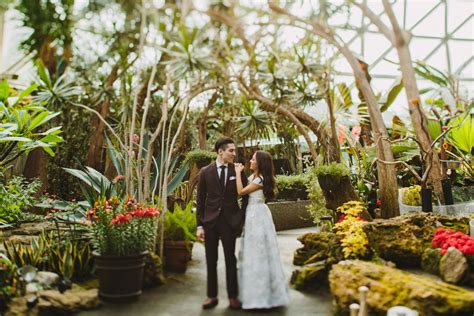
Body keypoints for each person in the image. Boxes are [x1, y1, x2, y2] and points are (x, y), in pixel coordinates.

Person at [196, 137, 248, 310]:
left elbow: (246, 194)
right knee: (211, 260)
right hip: (210, 222)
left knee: (230, 259)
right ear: (220, 151)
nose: (234, 153)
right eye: (231, 150)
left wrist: (240, 217)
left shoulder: (238, 170)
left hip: (229, 222)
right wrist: (199, 226)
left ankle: (233, 296)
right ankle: (212, 296)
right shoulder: (205, 172)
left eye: (234, 150)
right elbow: (200, 200)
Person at [234, 151, 289, 310]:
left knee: (260, 251)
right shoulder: (253, 177)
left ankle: (263, 294)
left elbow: (241, 192)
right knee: (253, 252)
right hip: (252, 215)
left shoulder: (260, 179)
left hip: (258, 215)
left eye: (253, 159)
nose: (250, 161)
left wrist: (238, 173)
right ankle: (253, 291)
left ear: (260, 163)